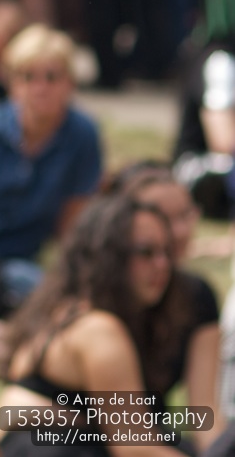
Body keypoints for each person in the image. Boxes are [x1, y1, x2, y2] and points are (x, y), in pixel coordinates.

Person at [0, 193, 191, 456]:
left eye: (167, 252)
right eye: (146, 252)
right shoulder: (97, 328)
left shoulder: (63, 310)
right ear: (108, 256)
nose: (162, 264)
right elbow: (135, 447)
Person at [0, 25, 103, 316]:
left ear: (70, 83)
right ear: (12, 83)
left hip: (24, 263)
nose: (41, 88)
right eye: (28, 77)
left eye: (52, 77)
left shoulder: (82, 136)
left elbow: (72, 226)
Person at [104, 163, 225, 451]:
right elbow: (129, 442)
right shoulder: (95, 300)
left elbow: (203, 412)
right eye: (163, 218)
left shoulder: (197, 296)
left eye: (185, 215)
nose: (180, 231)